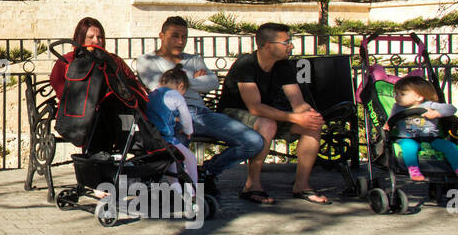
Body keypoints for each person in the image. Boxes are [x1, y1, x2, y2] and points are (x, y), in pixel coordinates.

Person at [135, 16, 264, 197]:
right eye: (175, 36)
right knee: (177, 157)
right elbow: (162, 89)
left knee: (254, 141)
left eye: (184, 37)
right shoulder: (146, 60)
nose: (180, 41)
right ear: (162, 36)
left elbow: (212, 82)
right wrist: (194, 78)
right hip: (173, 117)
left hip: (200, 113)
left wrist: (180, 79)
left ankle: (208, 171)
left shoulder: (193, 59)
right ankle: (186, 189)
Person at [216, 22, 329, 205]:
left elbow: (297, 102)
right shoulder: (246, 65)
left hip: (267, 114)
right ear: (268, 46)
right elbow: (254, 107)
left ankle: (302, 185)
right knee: (267, 124)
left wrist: (309, 114)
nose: (291, 46)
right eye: (286, 42)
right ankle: (252, 185)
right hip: (232, 116)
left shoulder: (283, 66)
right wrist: (294, 117)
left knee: (311, 126)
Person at [388, 76, 458, 184]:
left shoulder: (430, 105)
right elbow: (391, 119)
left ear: (419, 97)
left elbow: (451, 109)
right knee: (409, 146)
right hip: (406, 137)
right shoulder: (397, 107)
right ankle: (414, 170)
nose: (397, 97)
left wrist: (436, 113)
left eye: (402, 94)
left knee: (450, 146)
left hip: (431, 137)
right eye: (396, 93)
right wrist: (387, 125)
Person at [145, 66, 198, 195]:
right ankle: (194, 190)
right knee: (190, 158)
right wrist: (188, 131)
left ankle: (175, 186)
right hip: (166, 137)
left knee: (170, 159)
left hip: (150, 136)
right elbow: (186, 117)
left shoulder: (153, 93)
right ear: (181, 86)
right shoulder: (175, 95)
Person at [50, 16, 106, 102]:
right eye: (91, 37)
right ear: (81, 39)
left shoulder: (112, 60)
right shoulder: (66, 61)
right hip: (75, 112)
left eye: (99, 37)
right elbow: (57, 84)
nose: (96, 41)